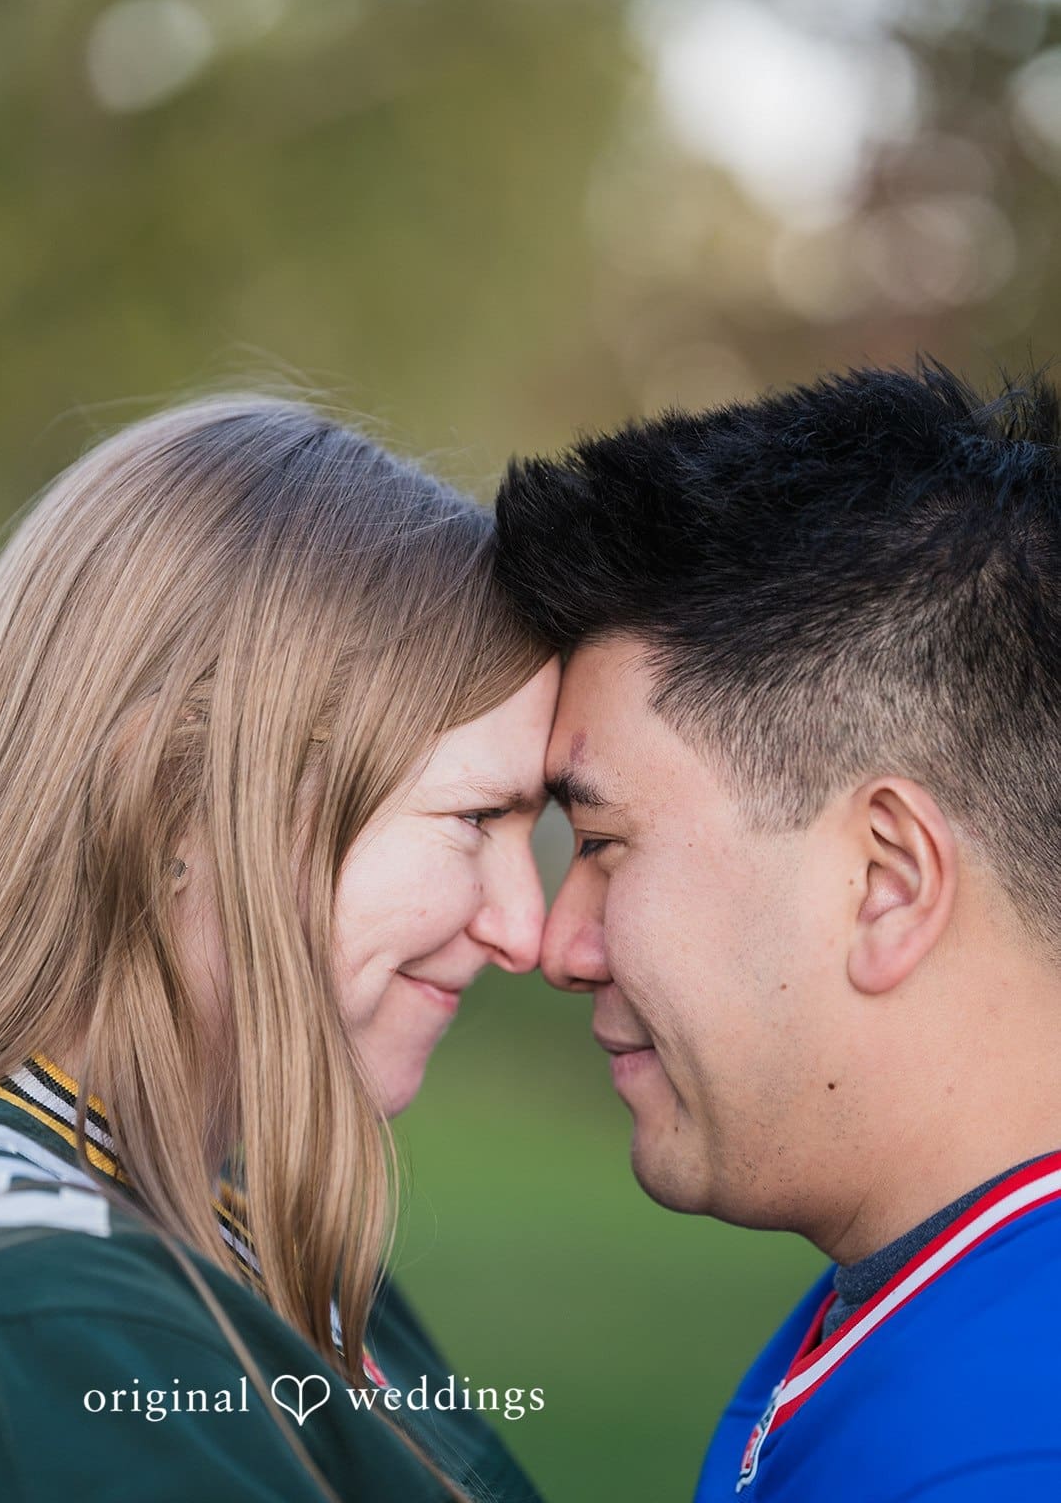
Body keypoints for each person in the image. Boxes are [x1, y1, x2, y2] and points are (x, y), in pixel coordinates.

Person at [493, 361, 1061, 1501]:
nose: (555, 945)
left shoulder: (991, 1453)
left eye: (599, 844)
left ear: (883, 880)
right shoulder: (929, 1303)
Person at [0, 395, 559, 1502]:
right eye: (472, 819)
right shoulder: (57, 1316)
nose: (524, 929)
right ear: (176, 798)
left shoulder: (262, 1230)